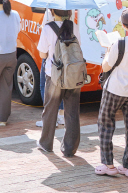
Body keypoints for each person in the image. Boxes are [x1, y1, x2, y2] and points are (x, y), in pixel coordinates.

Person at [95, 8, 128, 177]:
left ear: (124, 26)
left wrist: (107, 52)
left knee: (105, 125)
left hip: (115, 90)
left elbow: (106, 66)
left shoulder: (120, 43)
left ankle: (108, 164)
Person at [36, 8, 81, 155]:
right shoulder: (74, 26)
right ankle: (70, 149)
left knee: (50, 110)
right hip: (73, 74)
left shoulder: (48, 28)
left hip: (54, 75)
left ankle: (46, 144)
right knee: (72, 111)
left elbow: (43, 54)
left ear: (53, 12)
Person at [36, 0, 69, 128]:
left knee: (45, 86)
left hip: (51, 56)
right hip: (66, 56)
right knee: (62, 87)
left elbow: (46, 33)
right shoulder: (70, 8)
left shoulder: (51, 9)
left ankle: (49, 117)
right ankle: (61, 115)